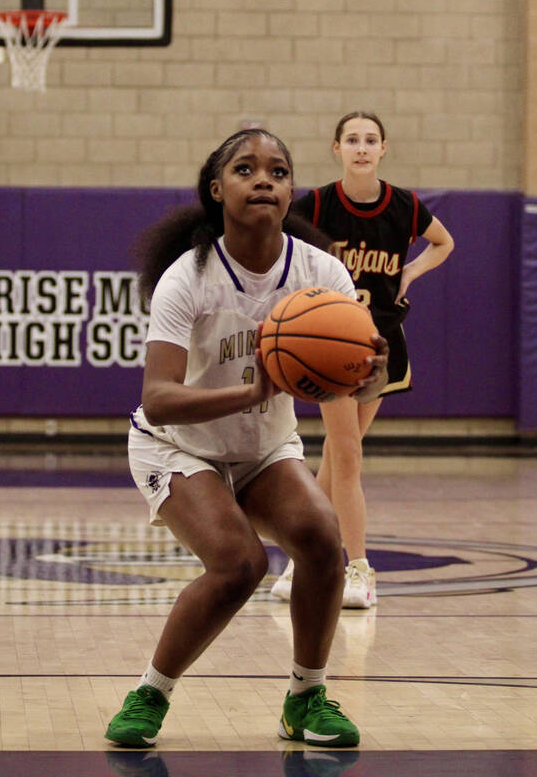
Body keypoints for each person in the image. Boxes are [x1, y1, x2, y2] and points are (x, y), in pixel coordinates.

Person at [104, 128, 389, 750]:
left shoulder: (322, 273)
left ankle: (306, 697)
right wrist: (252, 391)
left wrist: (368, 371)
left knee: (323, 539)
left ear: (291, 191)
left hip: (263, 447)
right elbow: (159, 397)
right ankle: (151, 691)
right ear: (216, 189)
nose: (264, 179)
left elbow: (359, 374)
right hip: (177, 446)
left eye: (278, 171)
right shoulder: (188, 278)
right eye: (246, 169)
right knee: (239, 565)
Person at [271, 111, 454, 610]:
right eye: (352, 139)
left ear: (383, 148)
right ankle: (358, 567)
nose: (362, 148)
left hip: (383, 345)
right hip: (332, 347)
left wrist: (410, 273)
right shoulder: (316, 205)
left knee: (338, 456)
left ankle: (299, 559)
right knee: (347, 454)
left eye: (370, 140)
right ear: (337, 149)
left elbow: (444, 242)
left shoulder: (405, 205)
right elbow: (279, 244)